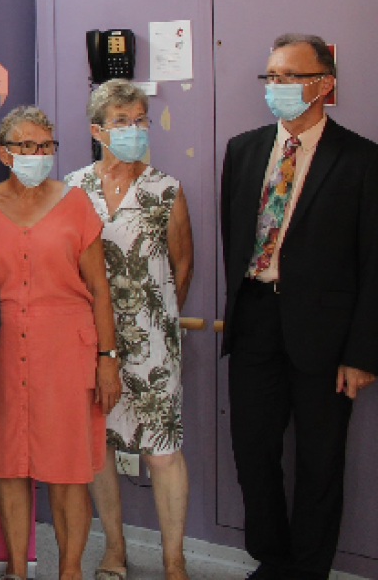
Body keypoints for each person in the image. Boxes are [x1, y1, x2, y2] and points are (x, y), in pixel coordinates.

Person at [221, 34, 378, 580]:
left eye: (289, 76)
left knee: (319, 460)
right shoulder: (242, 150)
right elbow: (236, 238)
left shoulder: (360, 159)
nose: (277, 88)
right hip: (256, 322)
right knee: (253, 453)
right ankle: (273, 560)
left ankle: (309, 570)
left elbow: (374, 263)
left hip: (326, 333)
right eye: (270, 77)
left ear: (324, 83)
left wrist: (361, 354)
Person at [0, 106, 120, 580]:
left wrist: (107, 360)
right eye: (27, 146)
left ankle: (69, 570)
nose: (37, 154)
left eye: (46, 146)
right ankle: (17, 570)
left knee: (68, 471)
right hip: (1, 351)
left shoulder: (76, 204)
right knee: (9, 465)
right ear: (4, 153)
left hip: (66, 351)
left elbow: (100, 289)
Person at [64, 79, 194, 580]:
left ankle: (174, 561)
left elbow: (182, 265)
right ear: (98, 130)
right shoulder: (74, 189)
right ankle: (114, 549)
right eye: (123, 121)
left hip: (154, 345)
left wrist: (152, 319)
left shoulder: (166, 189)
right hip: (91, 343)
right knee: (99, 448)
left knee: (162, 452)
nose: (135, 128)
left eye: (141, 119)